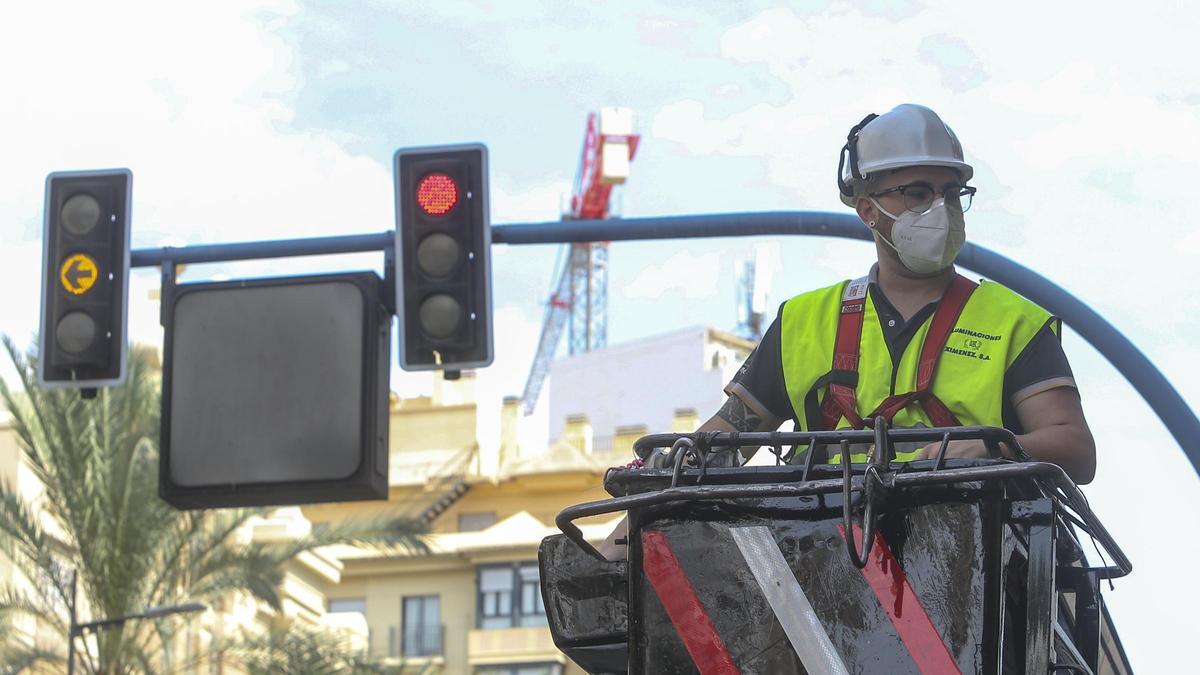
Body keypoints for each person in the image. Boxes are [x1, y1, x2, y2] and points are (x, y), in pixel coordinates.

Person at [600, 103, 1095, 559]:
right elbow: (726, 440)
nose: (940, 209)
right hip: (811, 560)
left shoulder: (1014, 322)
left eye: (951, 193)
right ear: (868, 210)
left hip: (969, 561)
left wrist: (997, 447)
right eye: (918, 193)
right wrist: (621, 540)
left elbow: (1073, 447)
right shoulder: (804, 320)